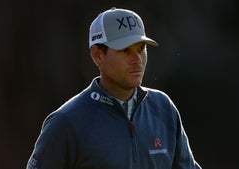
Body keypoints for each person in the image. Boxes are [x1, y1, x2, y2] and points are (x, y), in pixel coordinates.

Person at [26, 7, 202, 169]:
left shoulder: (163, 108)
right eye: (125, 50)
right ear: (97, 55)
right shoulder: (66, 122)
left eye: (141, 49)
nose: (137, 59)